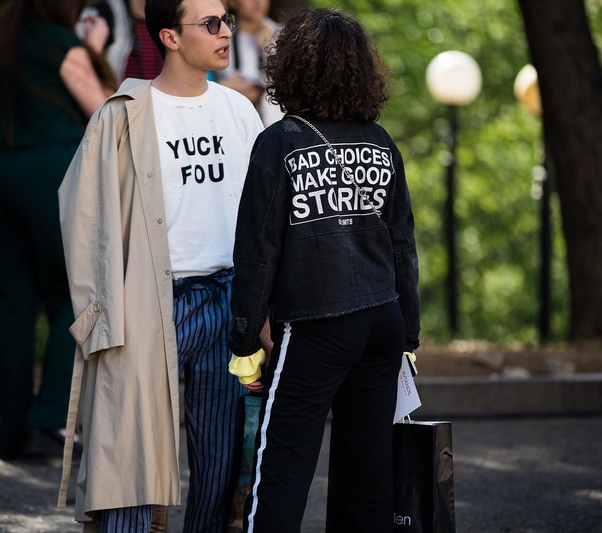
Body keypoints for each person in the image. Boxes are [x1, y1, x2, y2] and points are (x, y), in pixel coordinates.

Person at [56, 0, 264, 529]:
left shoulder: (239, 110)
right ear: (170, 37)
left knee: (220, 467)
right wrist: (98, 313)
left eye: (227, 21)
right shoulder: (123, 113)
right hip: (152, 301)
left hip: (228, 300)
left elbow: (264, 216)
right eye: (211, 23)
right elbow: (81, 215)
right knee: (131, 462)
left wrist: (264, 307)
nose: (225, 32)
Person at [226, 8, 421, 532]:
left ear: (291, 68)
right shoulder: (381, 143)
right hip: (383, 321)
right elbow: (403, 245)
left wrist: (244, 340)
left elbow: (257, 252)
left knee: (282, 466)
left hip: (316, 323)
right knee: (368, 475)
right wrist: (411, 332)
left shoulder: (280, 143)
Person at [0, 0, 117, 461]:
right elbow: (104, 110)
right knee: (78, 295)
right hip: (49, 174)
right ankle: (48, 420)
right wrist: (92, 49)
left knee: (10, 305)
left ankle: (10, 429)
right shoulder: (60, 44)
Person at [215, 0, 282, 126]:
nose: (257, 2)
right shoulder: (221, 39)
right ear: (232, 3)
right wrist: (228, 90)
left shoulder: (284, 36)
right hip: (234, 121)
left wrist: (272, 52)